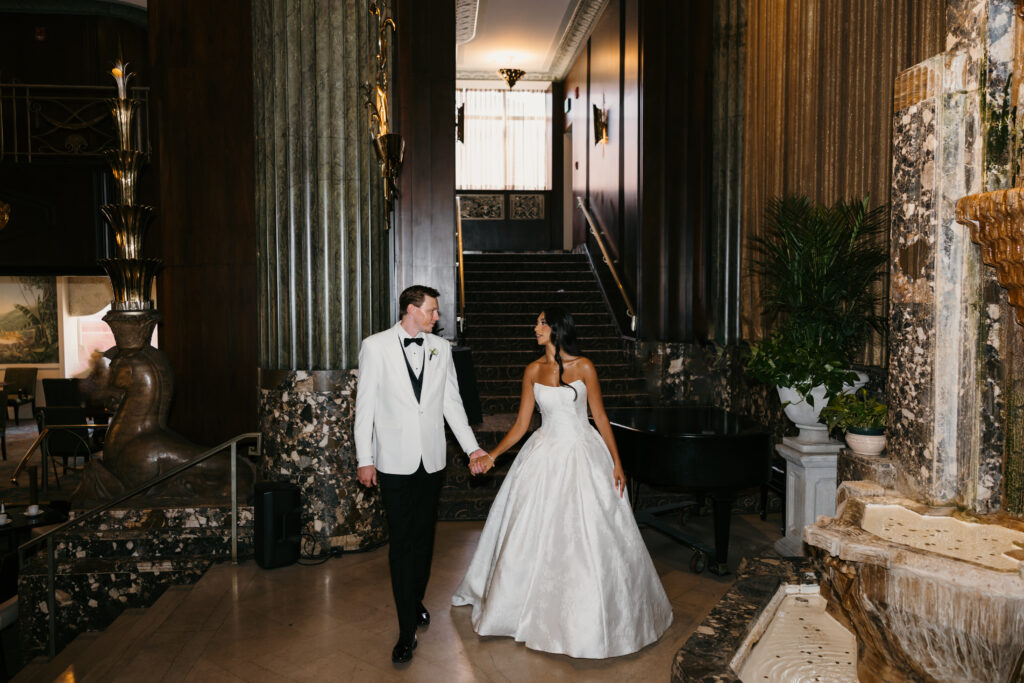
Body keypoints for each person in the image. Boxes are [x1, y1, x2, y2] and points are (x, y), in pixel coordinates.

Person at [451, 306, 672, 658]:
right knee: (531, 531)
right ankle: (519, 607)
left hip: (584, 453)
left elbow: (599, 416)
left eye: (540, 322)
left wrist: (617, 461)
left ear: (555, 328)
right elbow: (523, 425)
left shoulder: (584, 367)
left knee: (589, 534)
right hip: (544, 454)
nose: (534, 327)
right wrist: (492, 455)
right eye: (536, 321)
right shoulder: (532, 370)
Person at [354, 284, 487, 664]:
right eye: (432, 310)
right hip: (392, 462)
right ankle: (405, 631)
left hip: (431, 461)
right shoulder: (375, 346)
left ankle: (414, 600)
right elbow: (365, 409)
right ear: (411, 309)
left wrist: (472, 447)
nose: (437, 317)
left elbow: (452, 405)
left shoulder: (440, 349)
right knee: (402, 542)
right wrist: (366, 458)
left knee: (425, 540)